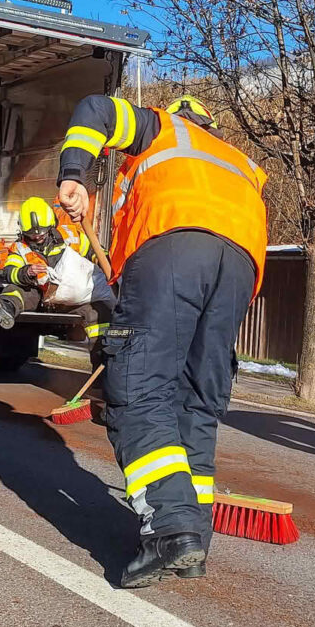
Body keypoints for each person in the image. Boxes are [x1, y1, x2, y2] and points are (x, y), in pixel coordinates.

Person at [57, 94, 267, 587]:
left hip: (173, 245)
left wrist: (76, 173)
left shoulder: (162, 129)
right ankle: (193, 537)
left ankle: (170, 529)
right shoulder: (241, 163)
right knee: (195, 401)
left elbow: (95, 108)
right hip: (238, 268)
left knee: (139, 387)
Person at [0, 197, 113, 351]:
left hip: (74, 300)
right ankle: (4, 309)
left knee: (97, 313)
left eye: (42, 232)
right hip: (42, 296)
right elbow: (9, 272)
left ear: (52, 224)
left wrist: (107, 266)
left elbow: (96, 252)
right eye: (31, 234)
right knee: (17, 291)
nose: (37, 237)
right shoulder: (20, 247)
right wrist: (27, 272)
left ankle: (103, 357)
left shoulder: (70, 235)